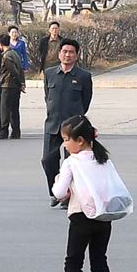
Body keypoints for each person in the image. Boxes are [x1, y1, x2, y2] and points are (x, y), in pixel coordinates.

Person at [46, 115, 123, 272]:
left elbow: (59, 193)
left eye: (66, 139)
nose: (64, 144)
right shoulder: (103, 158)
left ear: (79, 140)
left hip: (81, 217)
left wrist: (58, 183)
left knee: (74, 259)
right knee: (99, 259)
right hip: (103, 218)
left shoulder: (72, 162)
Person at [42, 39, 93, 209]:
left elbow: (86, 101)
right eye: (64, 51)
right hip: (52, 124)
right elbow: (47, 96)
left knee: (72, 162)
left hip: (73, 128)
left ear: (76, 55)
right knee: (48, 160)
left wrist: (76, 117)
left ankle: (69, 195)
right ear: (59, 54)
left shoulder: (84, 76)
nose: (67, 55)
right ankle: (55, 192)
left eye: (71, 52)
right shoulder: (49, 73)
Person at [0, 34, 25, 140]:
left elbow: (13, 71)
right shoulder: (15, 53)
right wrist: (22, 83)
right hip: (15, 86)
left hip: (7, 85)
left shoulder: (6, 55)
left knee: (5, 109)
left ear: (0, 44)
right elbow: (21, 69)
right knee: (14, 109)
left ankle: (3, 131)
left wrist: (19, 81)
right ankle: (16, 131)